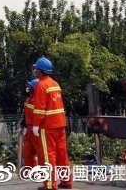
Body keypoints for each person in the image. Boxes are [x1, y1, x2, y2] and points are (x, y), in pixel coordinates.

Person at [31, 57, 73, 190]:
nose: (35, 71)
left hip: (47, 126)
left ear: (40, 71)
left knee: (48, 156)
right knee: (62, 154)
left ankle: (49, 185)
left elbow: (39, 108)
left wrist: (36, 125)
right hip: (60, 125)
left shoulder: (41, 85)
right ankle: (66, 181)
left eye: (36, 69)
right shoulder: (55, 84)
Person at [21, 78, 39, 168]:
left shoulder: (38, 101)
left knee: (40, 152)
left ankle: (42, 171)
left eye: (30, 86)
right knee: (27, 152)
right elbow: (25, 115)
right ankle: (29, 170)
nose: (28, 88)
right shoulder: (28, 100)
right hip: (29, 131)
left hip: (36, 131)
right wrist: (23, 126)